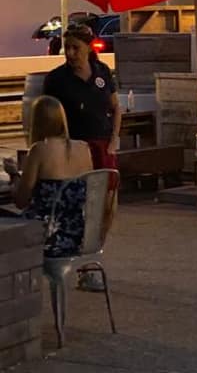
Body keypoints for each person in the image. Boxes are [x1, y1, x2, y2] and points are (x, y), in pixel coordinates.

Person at [3, 96, 94, 257]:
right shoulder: (83, 148)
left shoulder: (39, 150)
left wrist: (14, 174)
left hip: (46, 235)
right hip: (79, 234)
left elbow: (21, 201)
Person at [43, 24, 122, 174]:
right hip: (73, 146)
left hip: (102, 144)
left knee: (106, 189)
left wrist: (113, 141)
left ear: (89, 48)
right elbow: (47, 119)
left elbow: (116, 107)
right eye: (67, 48)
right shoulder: (56, 79)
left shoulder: (102, 70)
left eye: (76, 48)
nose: (70, 53)